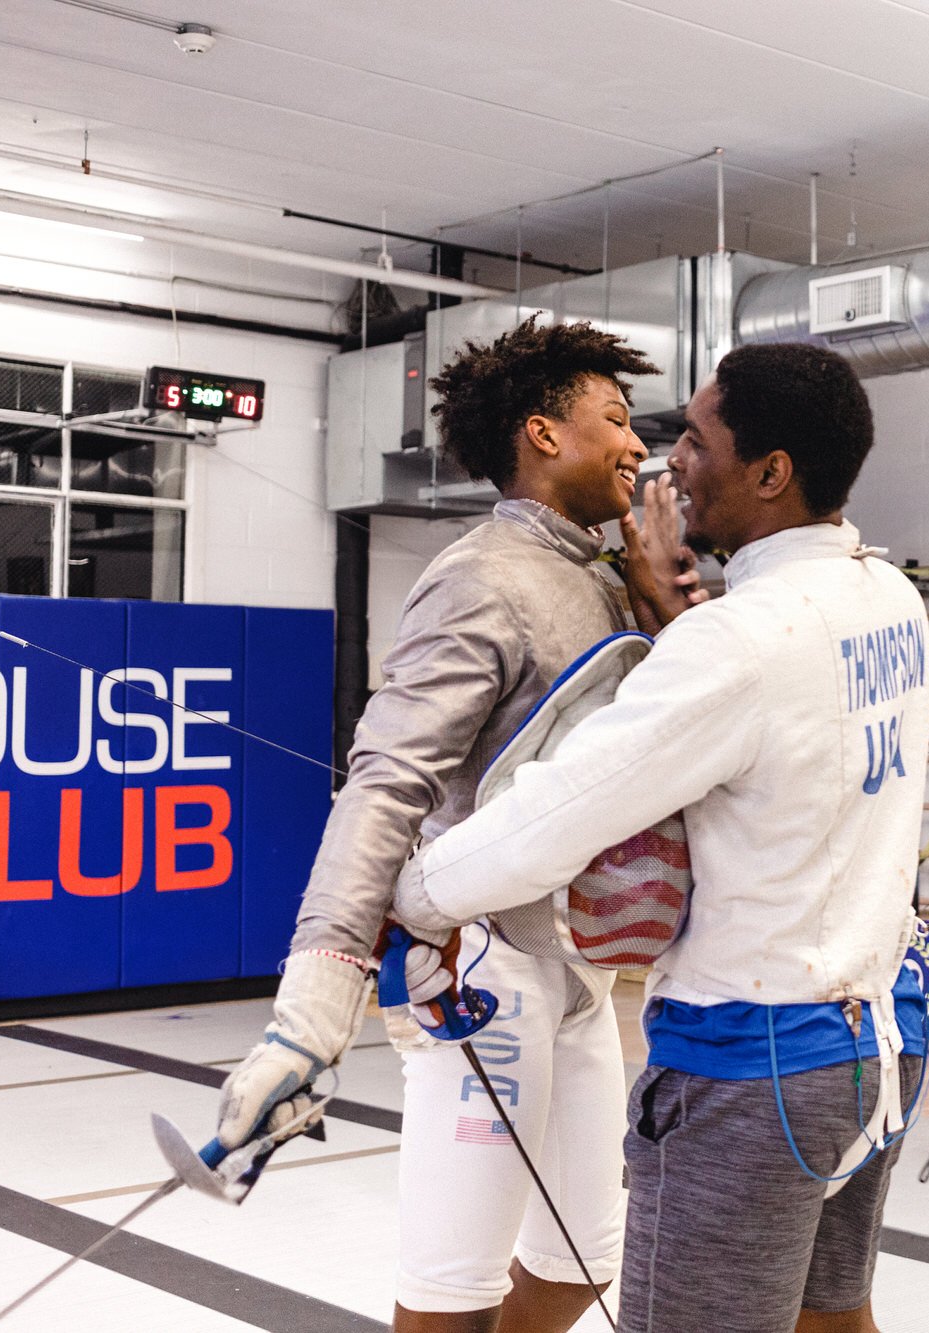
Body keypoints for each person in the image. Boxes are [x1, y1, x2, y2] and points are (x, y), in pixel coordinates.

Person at [390, 341, 929, 1333]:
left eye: (694, 437)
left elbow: (551, 815)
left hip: (756, 1064)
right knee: (831, 1317)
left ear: (770, 471)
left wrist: (414, 896)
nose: (666, 458)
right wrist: (665, 606)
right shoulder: (888, 596)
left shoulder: (737, 642)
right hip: (884, 1036)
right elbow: (757, 709)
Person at [212, 315, 693, 1333]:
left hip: (579, 974)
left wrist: (654, 604)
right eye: (613, 418)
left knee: (582, 1260)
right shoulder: (480, 577)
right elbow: (386, 781)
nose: (637, 445)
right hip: (481, 972)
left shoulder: (603, 581)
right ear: (543, 434)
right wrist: (311, 1014)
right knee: (453, 1288)